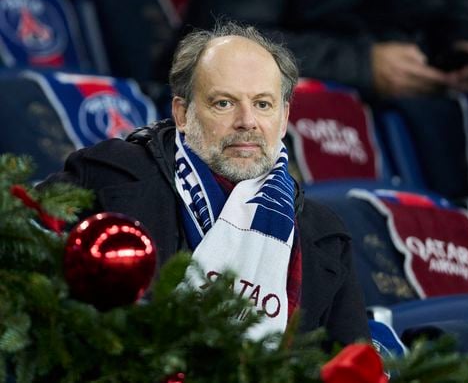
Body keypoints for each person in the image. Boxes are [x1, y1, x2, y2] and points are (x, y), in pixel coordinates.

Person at [40, 22, 370, 345]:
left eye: (262, 104)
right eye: (224, 103)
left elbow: (350, 366)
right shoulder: (110, 175)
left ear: (283, 118)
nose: (247, 122)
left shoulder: (323, 236)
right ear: (183, 114)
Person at [155, 0, 468, 100]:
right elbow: (225, 40)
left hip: (406, 111)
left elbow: (458, 10)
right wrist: (366, 65)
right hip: (262, 111)